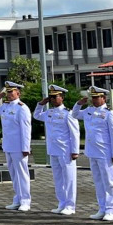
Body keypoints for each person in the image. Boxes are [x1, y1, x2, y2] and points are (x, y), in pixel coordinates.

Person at [72, 86, 113, 221]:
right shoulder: (88, 111)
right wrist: (78, 104)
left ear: (103, 98)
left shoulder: (109, 113)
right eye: (92, 97)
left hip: (105, 152)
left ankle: (111, 209)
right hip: (92, 151)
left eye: (96, 97)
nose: (94, 100)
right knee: (98, 182)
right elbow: (74, 115)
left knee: (109, 182)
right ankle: (102, 208)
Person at [33, 84, 80, 215]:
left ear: (62, 98)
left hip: (66, 150)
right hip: (53, 150)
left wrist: (75, 151)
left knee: (69, 179)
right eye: (51, 97)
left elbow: (75, 133)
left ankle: (70, 206)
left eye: (55, 97)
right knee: (58, 178)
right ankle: (62, 203)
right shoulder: (49, 112)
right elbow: (36, 115)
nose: (53, 99)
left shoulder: (68, 114)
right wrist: (41, 103)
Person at [0, 81, 32, 212]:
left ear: (18, 93)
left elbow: (26, 129)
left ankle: (25, 201)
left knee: (22, 174)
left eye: (11, 92)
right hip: (8, 145)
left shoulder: (22, 108)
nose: (9, 94)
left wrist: (26, 147)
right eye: (7, 92)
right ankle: (17, 199)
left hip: (19, 146)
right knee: (13, 174)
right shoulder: (4, 106)